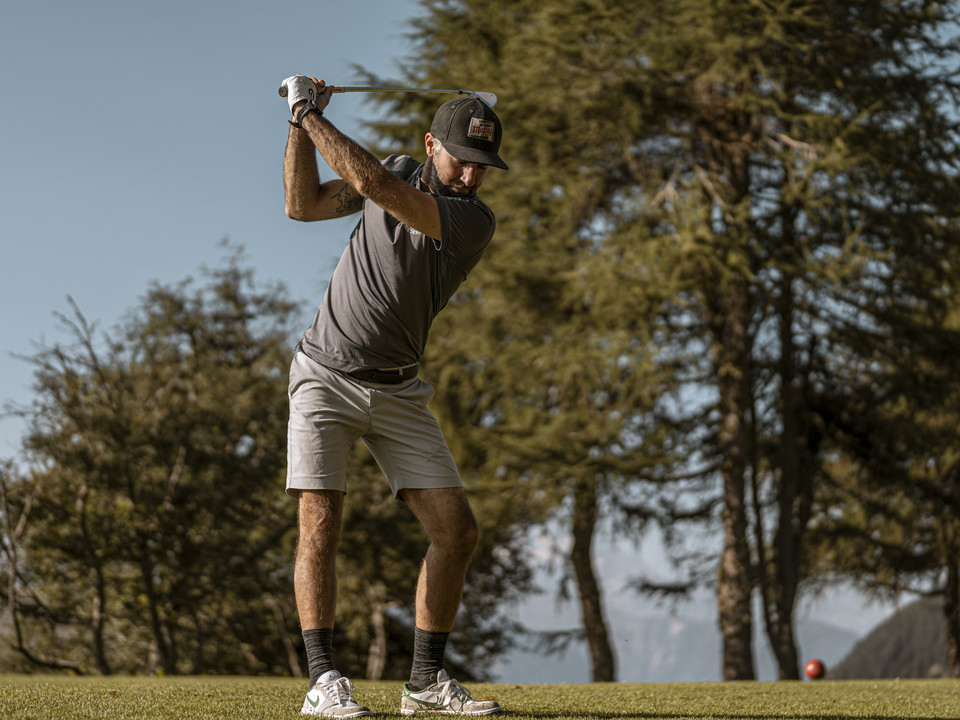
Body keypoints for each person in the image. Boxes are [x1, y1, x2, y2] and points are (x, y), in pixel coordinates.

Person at [279, 74, 508, 718]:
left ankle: (425, 683)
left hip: (400, 391)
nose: (470, 177)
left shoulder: (471, 221)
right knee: (320, 521)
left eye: (482, 167)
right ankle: (324, 680)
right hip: (323, 376)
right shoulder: (401, 169)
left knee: (456, 532)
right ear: (432, 145)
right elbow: (301, 206)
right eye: (462, 161)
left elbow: (376, 186)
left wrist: (308, 109)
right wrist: (298, 128)